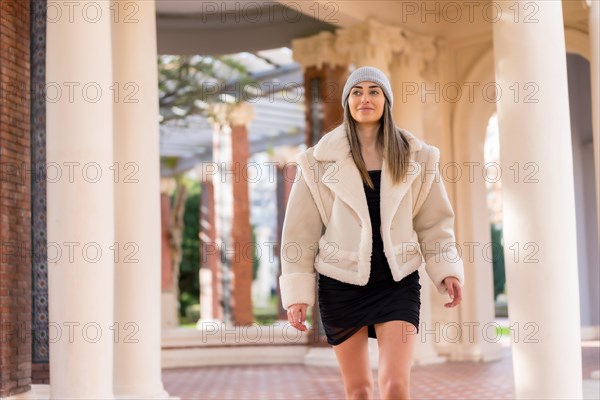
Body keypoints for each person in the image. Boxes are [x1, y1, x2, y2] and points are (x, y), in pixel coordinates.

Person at [279, 66, 465, 400]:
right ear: (348, 101)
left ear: (386, 101)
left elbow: (435, 223)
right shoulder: (316, 162)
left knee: (395, 387)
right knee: (360, 391)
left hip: (398, 282)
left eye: (374, 91)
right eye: (357, 91)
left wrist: (446, 270)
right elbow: (298, 235)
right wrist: (297, 294)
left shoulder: (418, 158)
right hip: (341, 284)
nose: (365, 97)